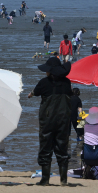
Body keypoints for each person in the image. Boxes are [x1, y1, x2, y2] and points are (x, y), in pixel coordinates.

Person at [27, 58, 72, 186]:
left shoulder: (44, 83)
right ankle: (63, 180)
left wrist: (30, 94)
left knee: (45, 149)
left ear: (51, 72)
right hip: (63, 121)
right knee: (62, 149)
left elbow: (34, 93)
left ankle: (45, 179)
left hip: (47, 121)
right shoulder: (67, 83)